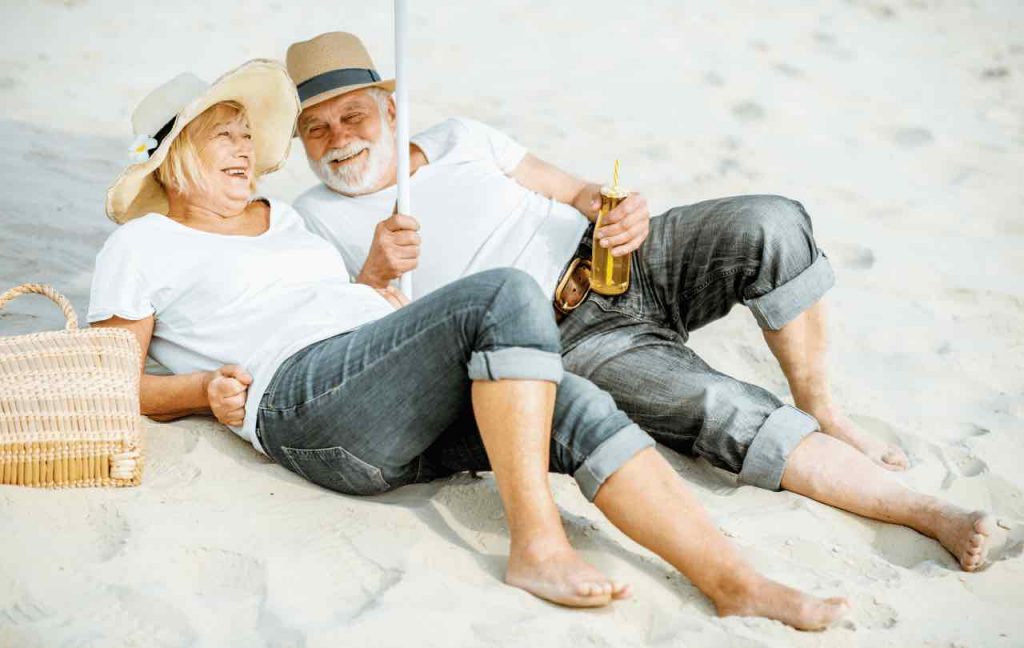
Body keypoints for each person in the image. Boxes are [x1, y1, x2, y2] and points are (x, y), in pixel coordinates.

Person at [87, 60, 858, 629]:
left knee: (576, 400)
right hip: (301, 406)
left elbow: (340, 303)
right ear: (175, 157)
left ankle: (733, 582)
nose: (244, 150)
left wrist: (378, 289)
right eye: (223, 137)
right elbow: (106, 381)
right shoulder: (145, 244)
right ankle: (536, 541)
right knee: (502, 292)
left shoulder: (283, 220)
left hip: (377, 390)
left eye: (245, 136)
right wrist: (194, 392)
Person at [286, 32, 997, 575]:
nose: (339, 139)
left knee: (770, 222)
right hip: (566, 339)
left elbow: (575, 192)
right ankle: (927, 512)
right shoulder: (315, 216)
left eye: (353, 116)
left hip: (618, 260)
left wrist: (617, 208)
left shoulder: (460, 139)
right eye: (317, 129)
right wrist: (377, 269)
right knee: (720, 408)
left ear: (390, 107)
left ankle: (825, 409)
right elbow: (349, 335)